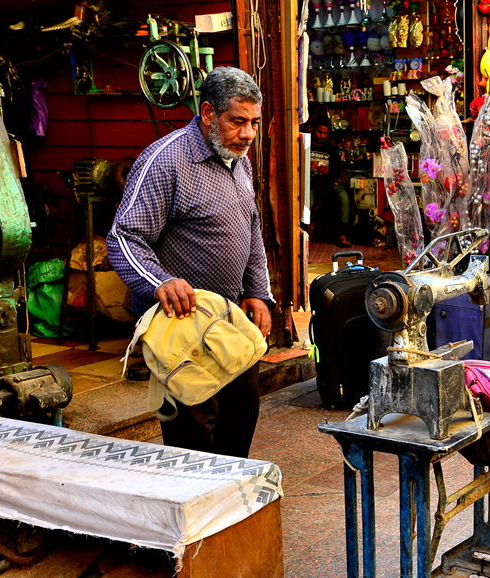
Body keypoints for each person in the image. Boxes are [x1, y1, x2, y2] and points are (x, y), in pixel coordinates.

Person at [107, 66, 274, 459]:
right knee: (193, 441)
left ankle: (230, 498)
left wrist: (258, 291)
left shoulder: (239, 159)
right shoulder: (165, 161)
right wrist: (159, 281)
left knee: (240, 417)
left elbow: (251, 228)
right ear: (208, 113)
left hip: (229, 319)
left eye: (253, 123)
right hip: (181, 326)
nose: (248, 134)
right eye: (238, 121)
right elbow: (124, 237)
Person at [309, 115, 350, 247]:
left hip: (326, 184)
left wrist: (328, 172)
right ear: (313, 129)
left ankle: (342, 235)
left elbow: (336, 173)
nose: (322, 136)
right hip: (308, 184)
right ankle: (304, 234)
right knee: (309, 200)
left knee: (343, 195)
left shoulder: (330, 149)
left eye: (325, 133)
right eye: (319, 132)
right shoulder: (305, 144)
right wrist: (306, 166)